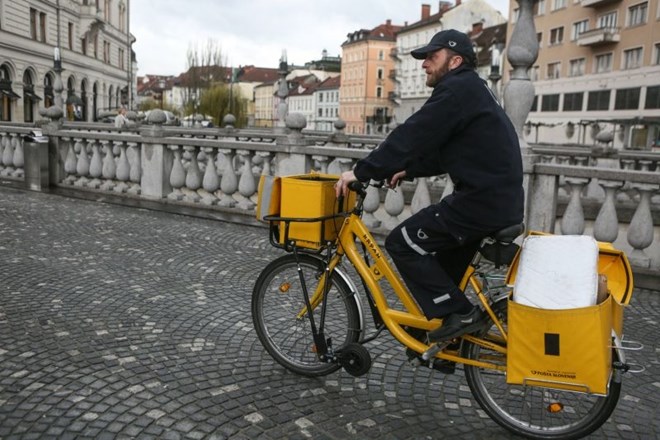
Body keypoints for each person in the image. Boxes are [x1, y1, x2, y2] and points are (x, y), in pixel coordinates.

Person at [335, 29, 524, 344]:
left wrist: (361, 171)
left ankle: (460, 316)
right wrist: (408, 168)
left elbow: (413, 134)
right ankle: (446, 340)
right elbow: (454, 149)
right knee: (442, 266)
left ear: (455, 61)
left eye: (431, 57)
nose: (424, 64)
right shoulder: (473, 88)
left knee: (401, 242)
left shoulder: (455, 91)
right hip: (495, 200)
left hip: (480, 202)